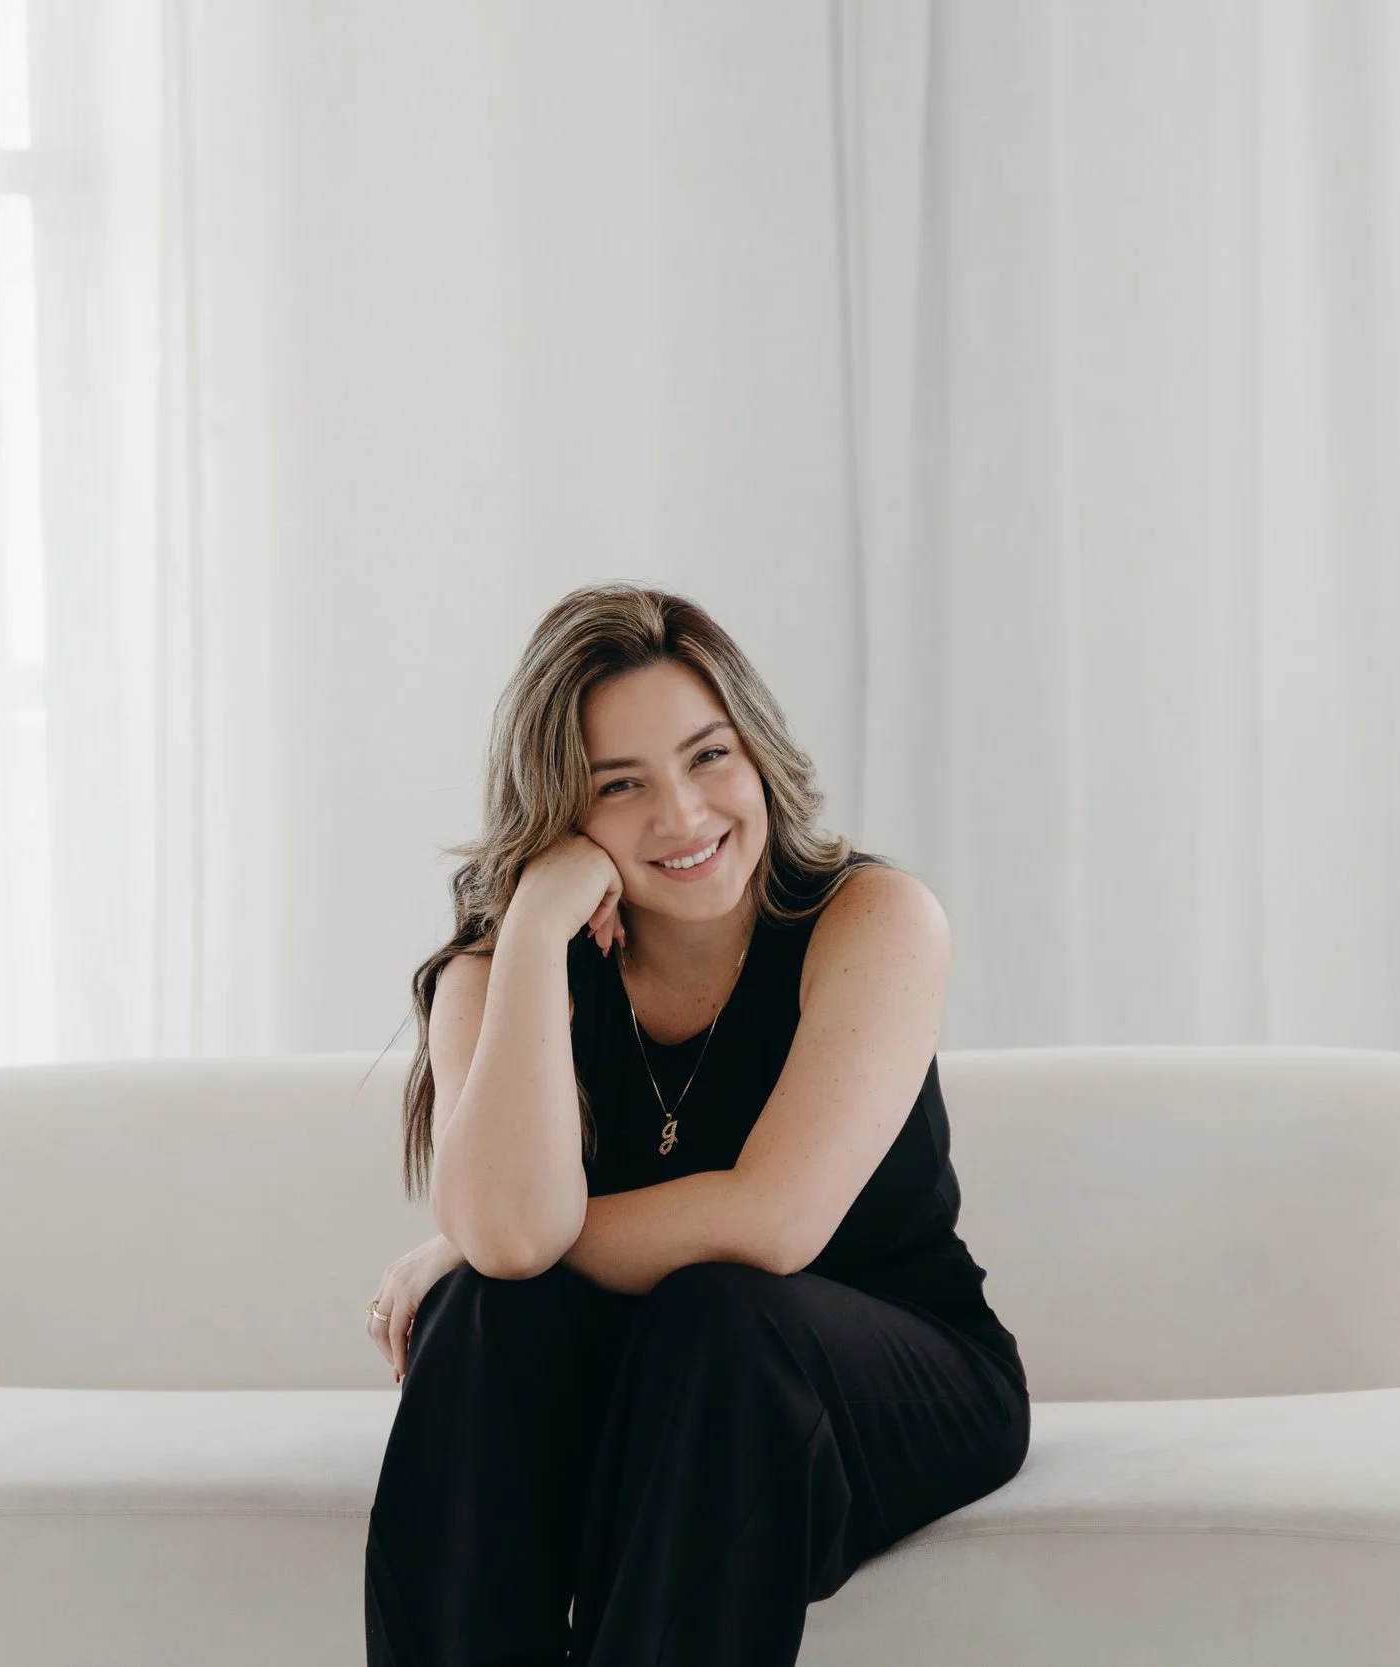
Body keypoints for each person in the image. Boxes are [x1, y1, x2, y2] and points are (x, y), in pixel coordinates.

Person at [363, 582, 1029, 1667]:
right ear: (555, 812)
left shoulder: (869, 919)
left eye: (709, 755)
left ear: (757, 751)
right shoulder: (495, 972)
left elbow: (772, 1223)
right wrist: (533, 927)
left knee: (720, 1309)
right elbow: (509, 1243)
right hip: (656, 1386)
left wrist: (472, 1239)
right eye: (618, 785)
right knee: (483, 1314)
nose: (681, 814)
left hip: (886, 1370)